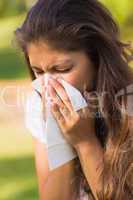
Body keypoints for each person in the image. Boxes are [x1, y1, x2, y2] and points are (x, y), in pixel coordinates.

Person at [14, 0, 133, 199]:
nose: (47, 85)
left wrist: (84, 141)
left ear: (97, 60)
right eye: (38, 71)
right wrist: (59, 134)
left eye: (61, 69)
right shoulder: (39, 103)